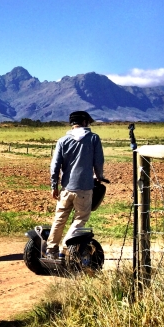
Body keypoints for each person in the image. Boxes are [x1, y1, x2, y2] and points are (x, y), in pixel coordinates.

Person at [45, 111, 105, 260]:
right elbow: (98, 162)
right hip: (84, 188)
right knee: (80, 219)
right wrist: (99, 177)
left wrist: (54, 186)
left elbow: (55, 166)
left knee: (59, 218)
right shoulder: (93, 138)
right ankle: (66, 248)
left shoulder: (62, 140)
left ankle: (51, 250)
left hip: (66, 188)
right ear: (84, 122)